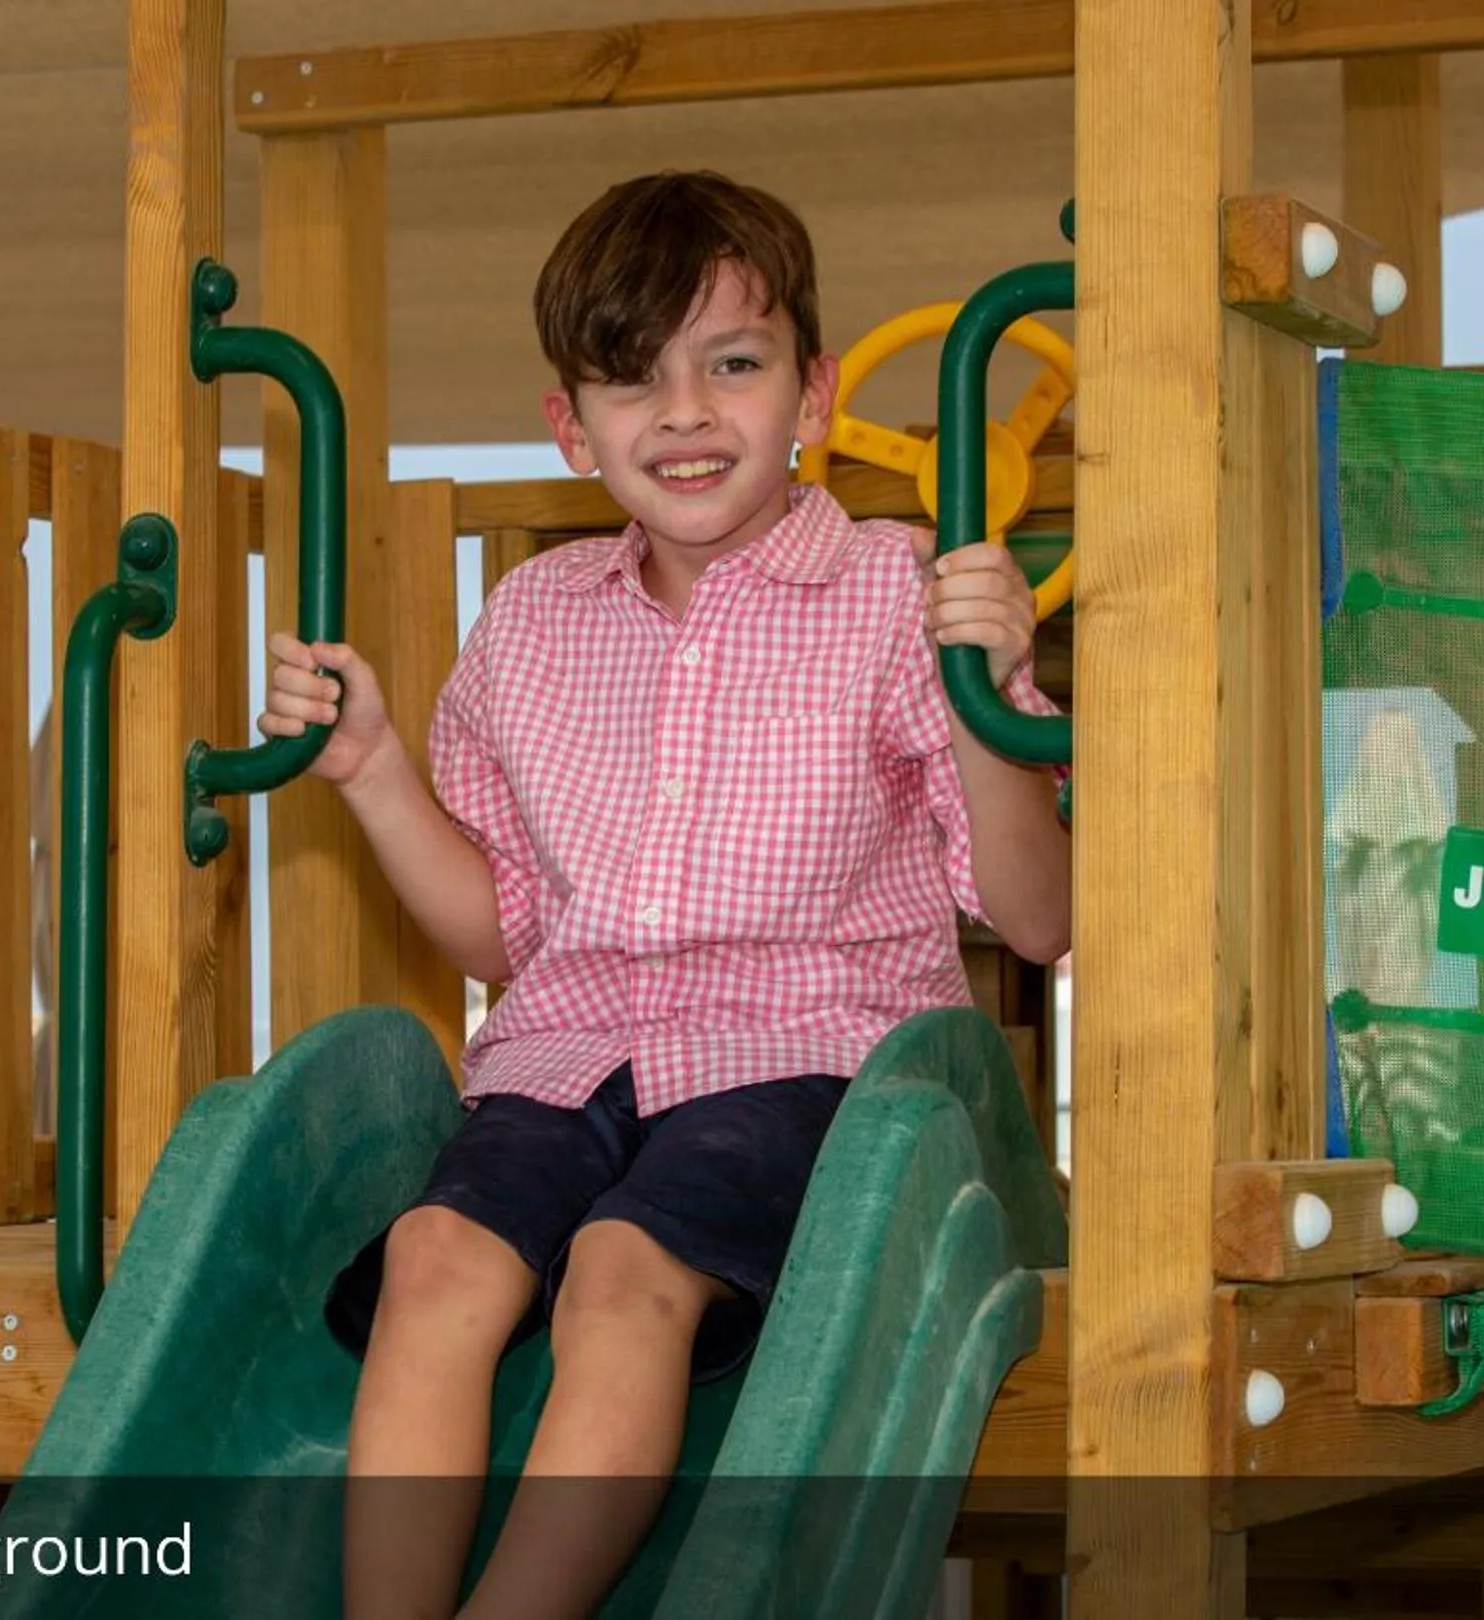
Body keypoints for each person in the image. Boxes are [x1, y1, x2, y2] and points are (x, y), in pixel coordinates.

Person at [256, 170, 1072, 1620]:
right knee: (435, 1259)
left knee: (621, 1274)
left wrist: (983, 705)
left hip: (801, 1057)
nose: (684, 414)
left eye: (733, 366)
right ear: (571, 427)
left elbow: (1036, 920)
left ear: (811, 395)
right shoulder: (534, 622)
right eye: (631, 382)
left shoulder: (897, 595)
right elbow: (507, 935)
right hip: (570, 1059)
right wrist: (377, 774)